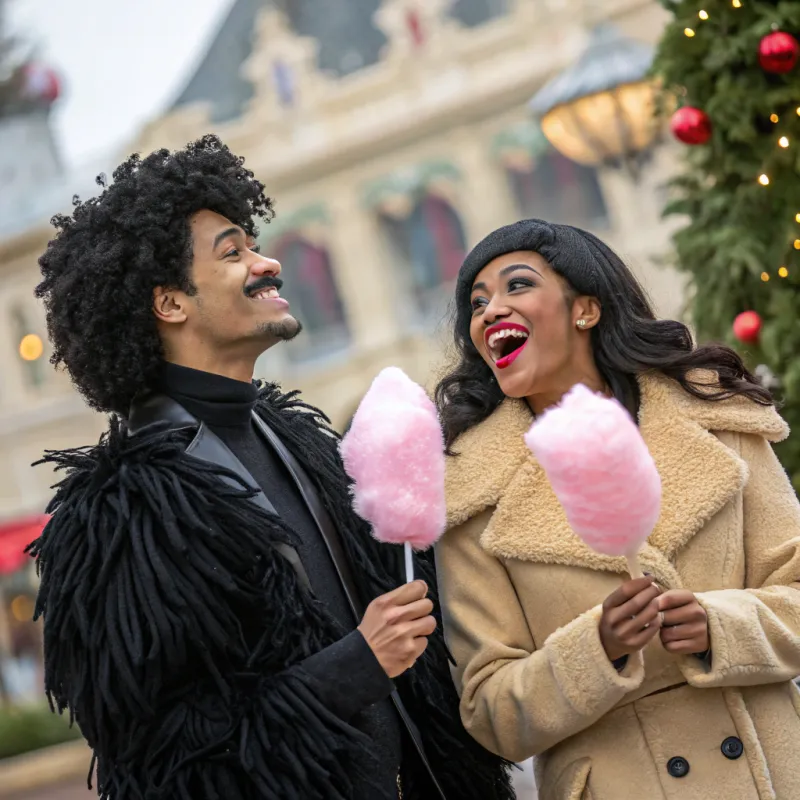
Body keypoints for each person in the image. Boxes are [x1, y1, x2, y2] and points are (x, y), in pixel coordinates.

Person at [28, 135, 514, 800]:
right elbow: (162, 763)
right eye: (234, 252)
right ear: (170, 303)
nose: (268, 263)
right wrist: (353, 666)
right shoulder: (121, 517)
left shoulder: (301, 444)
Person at [433, 218, 800, 799]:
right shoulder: (471, 495)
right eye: (477, 304)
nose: (489, 311)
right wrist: (597, 648)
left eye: (517, 286)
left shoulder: (716, 418)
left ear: (586, 308)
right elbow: (491, 711)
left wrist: (719, 627)